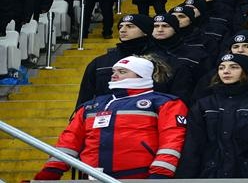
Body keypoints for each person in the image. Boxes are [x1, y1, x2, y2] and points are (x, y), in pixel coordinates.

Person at [34, 55, 188, 179]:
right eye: (114, 71)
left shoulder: (164, 103)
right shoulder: (92, 105)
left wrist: (161, 173)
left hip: (140, 177)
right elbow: (69, 139)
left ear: (141, 75)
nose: (114, 75)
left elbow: (172, 141)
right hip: (91, 175)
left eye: (122, 72)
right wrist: (52, 169)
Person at [176, 53, 248, 178]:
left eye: (234, 67)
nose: (226, 71)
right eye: (221, 67)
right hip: (212, 174)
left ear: (246, 71)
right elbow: (193, 146)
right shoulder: (204, 104)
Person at [75, 14, 155, 107]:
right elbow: (85, 98)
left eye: (130, 26)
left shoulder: (160, 61)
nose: (122, 30)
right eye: (121, 26)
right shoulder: (100, 63)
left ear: (146, 31)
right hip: (106, 115)